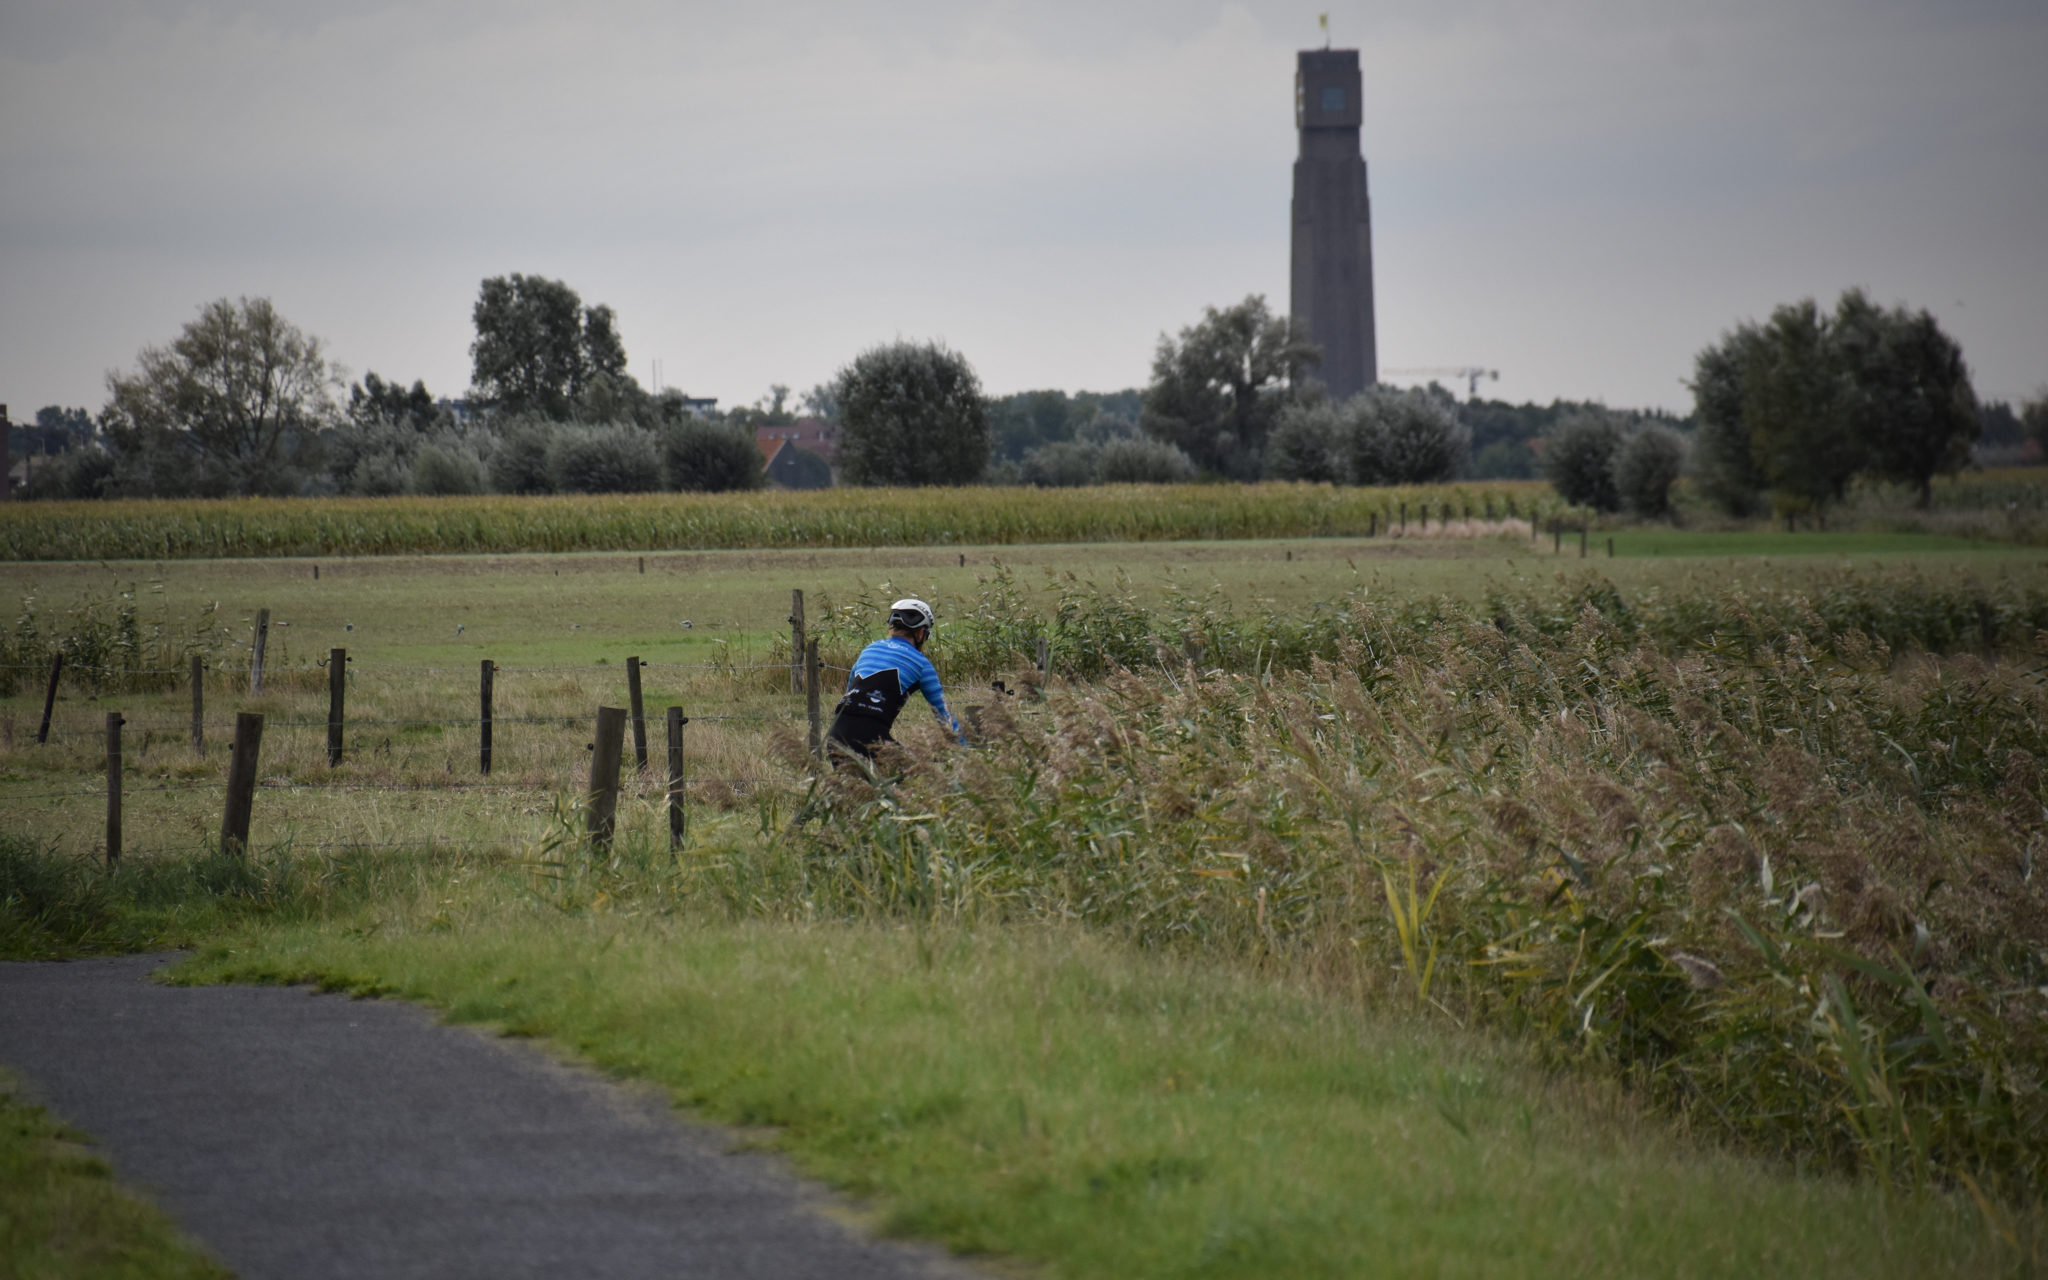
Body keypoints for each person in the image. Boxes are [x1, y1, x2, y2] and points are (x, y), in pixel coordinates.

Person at [825, 597, 962, 762]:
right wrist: (965, 750)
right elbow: (944, 714)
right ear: (920, 633)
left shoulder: (869, 649)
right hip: (871, 736)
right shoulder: (921, 663)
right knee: (919, 778)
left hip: (835, 735)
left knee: (855, 788)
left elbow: (850, 692)